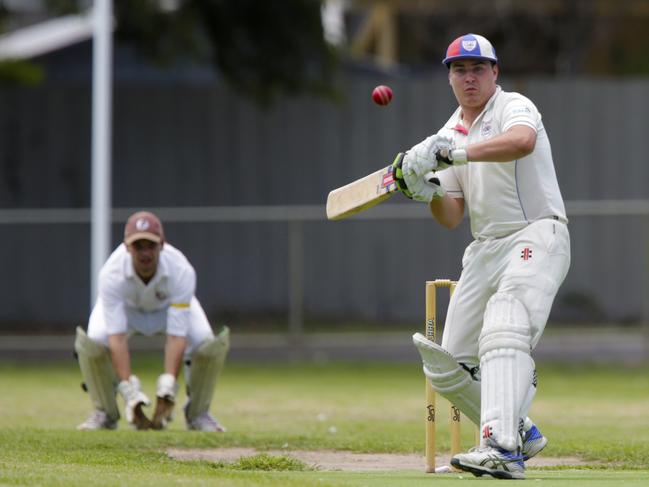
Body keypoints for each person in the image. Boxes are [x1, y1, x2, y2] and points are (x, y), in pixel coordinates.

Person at [399, 34, 571, 479]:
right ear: (449, 77)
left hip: (536, 233)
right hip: (484, 248)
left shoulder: (514, 106)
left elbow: (521, 143)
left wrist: (455, 153)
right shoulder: (447, 132)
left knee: (505, 321)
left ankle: (502, 447)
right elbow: (451, 215)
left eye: (478, 68)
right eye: (460, 69)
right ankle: (522, 430)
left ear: (495, 72)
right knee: (449, 365)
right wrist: (426, 191)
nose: (469, 77)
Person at [74, 211, 230, 432]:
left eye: (151, 245)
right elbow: (117, 338)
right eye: (138, 246)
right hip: (127, 309)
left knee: (205, 341)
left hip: (167, 307)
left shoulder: (181, 270)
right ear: (127, 247)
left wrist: (168, 388)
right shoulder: (111, 273)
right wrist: (129, 392)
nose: (145, 253)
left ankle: (198, 414)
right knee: (94, 340)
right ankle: (105, 413)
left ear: (162, 244)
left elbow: (177, 335)